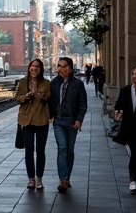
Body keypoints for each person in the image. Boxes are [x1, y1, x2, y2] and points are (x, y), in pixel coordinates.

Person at [49, 55, 87, 193]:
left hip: (72, 121)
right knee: (62, 148)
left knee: (70, 150)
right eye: (59, 65)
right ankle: (63, 179)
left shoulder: (78, 84)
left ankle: (67, 178)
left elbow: (83, 105)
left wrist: (79, 120)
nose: (61, 68)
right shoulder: (54, 83)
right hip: (58, 120)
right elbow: (50, 101)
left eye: (64, 66)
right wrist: (50, 116)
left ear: (70, 69)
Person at [15, 58, 52, 191]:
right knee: (29, 150)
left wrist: (38, 95)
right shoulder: (23, 82)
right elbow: (17, 97)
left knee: (40, 151)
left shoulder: (46, 83)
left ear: (40, 69)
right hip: (26, 120)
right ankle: (31, 178)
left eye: (37, 66)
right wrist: (25, 96)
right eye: (32, 66)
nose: (34, 68)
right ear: (29, 68)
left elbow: (48, 97)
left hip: (41, 120)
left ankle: (39, 178)